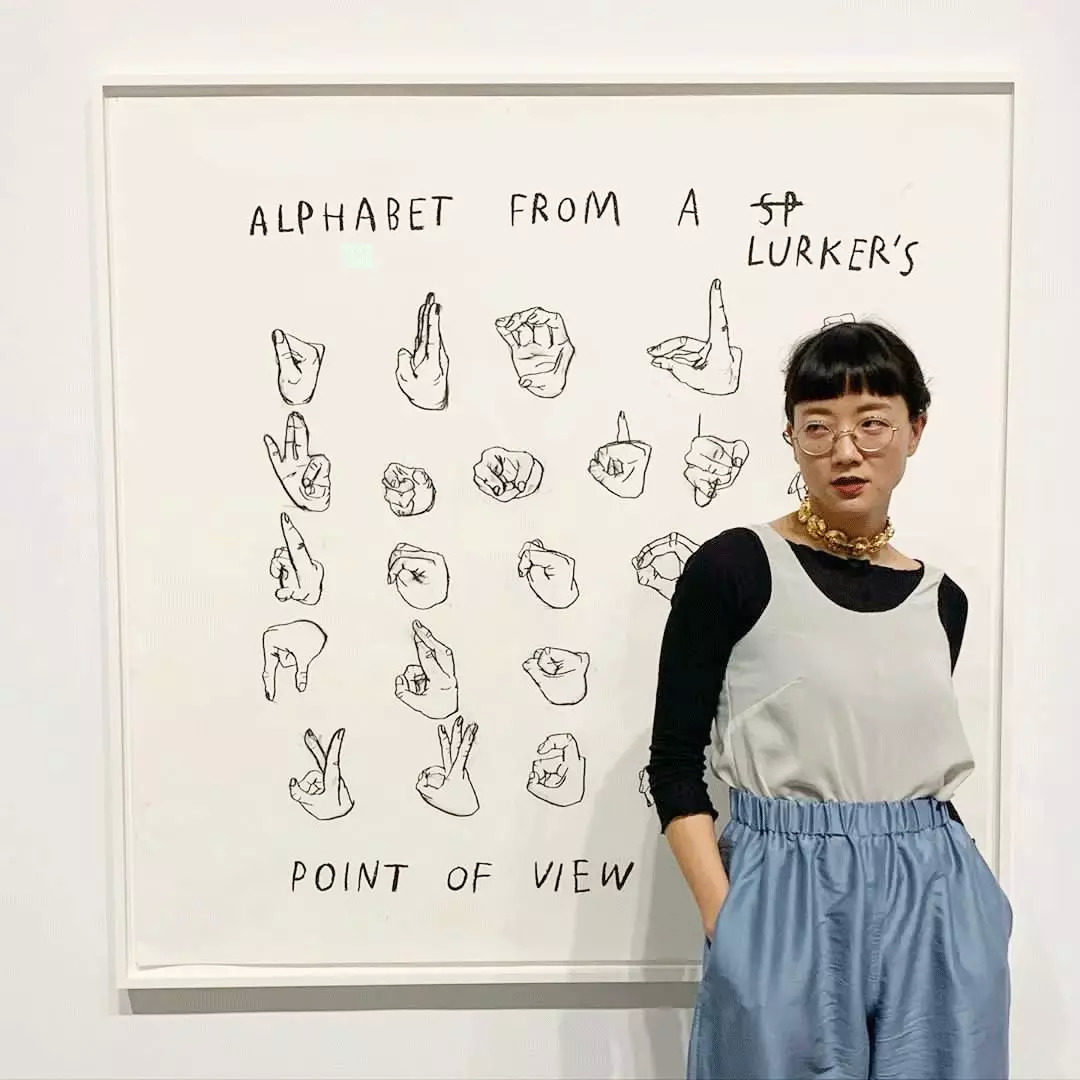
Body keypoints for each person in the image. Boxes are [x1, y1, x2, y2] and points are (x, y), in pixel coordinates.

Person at [645, 319, 1013, 1080]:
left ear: (915, 430)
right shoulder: (735, 568)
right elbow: (674, 763)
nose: (846, 450)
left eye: (872, 422)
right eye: (818, 426)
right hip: (781, 887)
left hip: (936, 891)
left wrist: (978, 910)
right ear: (792, 437)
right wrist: (729, 922)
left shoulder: (942, 600)